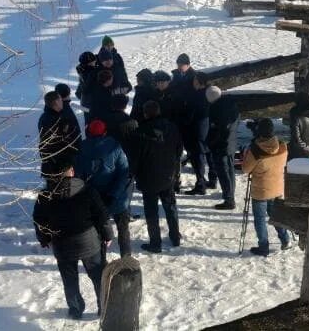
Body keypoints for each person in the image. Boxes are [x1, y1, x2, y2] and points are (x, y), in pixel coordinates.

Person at [33, 159, 114, 320]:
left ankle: (75, 309)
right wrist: (108, 235)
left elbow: (39, 221)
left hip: (62, 245)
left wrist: (44, 239)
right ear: (71, 172)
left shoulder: (44, 196)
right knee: (98, 276)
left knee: (69, 279)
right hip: (88, 242)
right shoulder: (87, 190)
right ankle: (104, 307)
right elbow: (102, 215)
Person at [75, 119, 133, 258]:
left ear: (88, 132)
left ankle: (101, 261)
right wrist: (114, 194)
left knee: (99, 231)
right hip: (118, 199)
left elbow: (78, 176)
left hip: (94, 200)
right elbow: (124, 172)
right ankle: (126, 258)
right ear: (105, 132)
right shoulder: (115, 146)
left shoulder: (81, 149)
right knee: (123, 229)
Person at [135, 101, 183, 253]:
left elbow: (136, 157)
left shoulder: (141, 131)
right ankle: (175, 237)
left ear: (145, 113)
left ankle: (155, 242)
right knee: (170, 207)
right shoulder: (172, 127)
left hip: (148, 177)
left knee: (151, 211)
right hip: (168, 174)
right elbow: (179, 149)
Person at [241, 118, 290, 256]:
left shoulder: (255, 151)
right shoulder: (282, 145)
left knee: (260, 220)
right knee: (276, 215)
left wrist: (247, 154)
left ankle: (263, 246)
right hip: (277, 187)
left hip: (261, 190)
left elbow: (245, 169)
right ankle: (285, 239)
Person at [206, 86, 240, 210]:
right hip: (231, 143)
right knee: (230, 169)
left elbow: (219, 130)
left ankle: (229, 199)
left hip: (221, 145)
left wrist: (211, 142)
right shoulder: (231, 105)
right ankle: (230, 193)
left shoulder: (217, 109)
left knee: (223, 172)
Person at [183, 72, 215, 195]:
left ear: (199, 82)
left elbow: (191, 115)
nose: (193, 82)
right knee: (208, 155)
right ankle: (212, 180)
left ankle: (200, 184)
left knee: (198, 158)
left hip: (197, 131)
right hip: (208, 130)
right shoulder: (209, 93)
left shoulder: (197, 96)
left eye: (195, 80)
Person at [38, 91, 82, 178]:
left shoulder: (44, 117)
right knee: (64, 187)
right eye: (60, 99)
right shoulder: (55, 120)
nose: (62, 101)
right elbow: (60, 142)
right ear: (56, 102)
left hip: (52, 161)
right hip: (61, 162)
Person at [104, 94, 139, 165]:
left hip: (107, 155)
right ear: (125, 106)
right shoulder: (131, 122)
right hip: (125, 156)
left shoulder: (103, 120)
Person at [75, 52, 98, 126]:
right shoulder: (90, 73)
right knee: (92, 124)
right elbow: (88, 88)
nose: (95, 61)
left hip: (85, 103)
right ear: (89, 63)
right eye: (94, 60)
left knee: (90, 123)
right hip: (91, 104)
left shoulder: (83, 70)